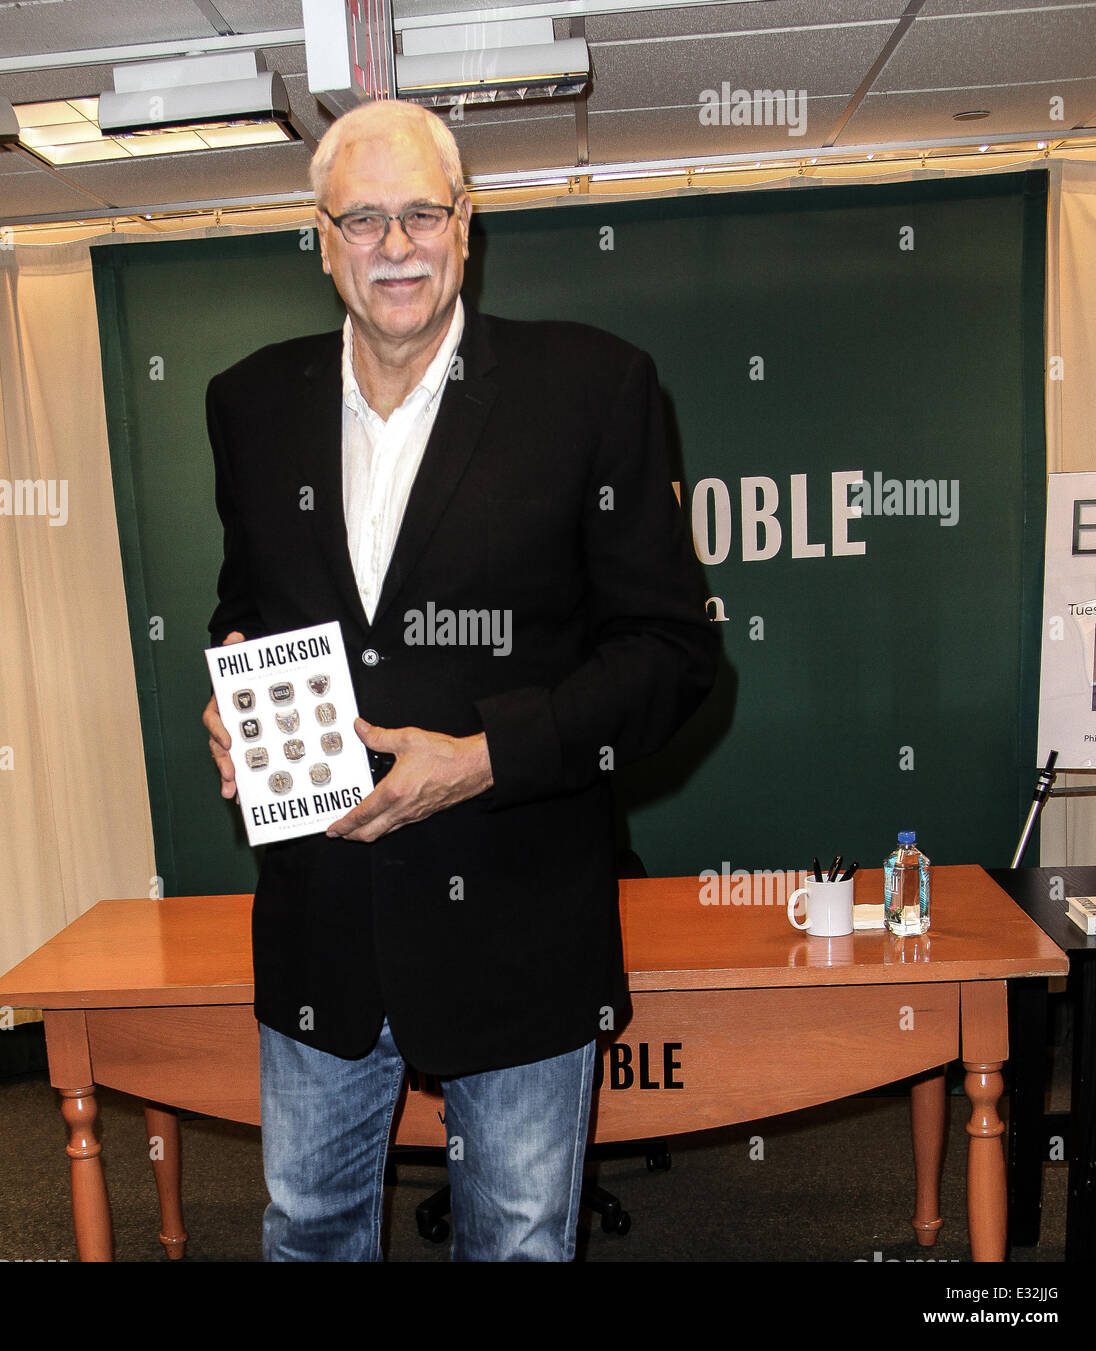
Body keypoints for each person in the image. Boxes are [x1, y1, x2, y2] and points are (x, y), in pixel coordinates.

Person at [202, 98, 718, 1261]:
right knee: (308, 1230)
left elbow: (673, 657)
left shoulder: (592, 387)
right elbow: (248, 610)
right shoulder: (249, 404)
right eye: (364, 219)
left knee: (520, 1240)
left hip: (519, 917)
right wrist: (234, 697)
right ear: (321, 236)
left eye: (421, 214)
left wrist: (483, 758)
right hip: (321, 914)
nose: (395, 245)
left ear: (466, 224)